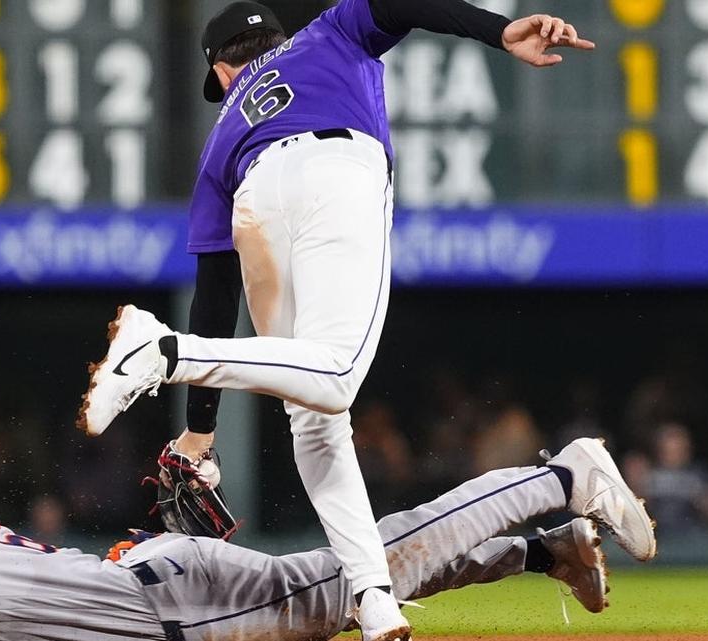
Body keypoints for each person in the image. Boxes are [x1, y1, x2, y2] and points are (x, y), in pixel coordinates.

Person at [78, 3, 595, 639]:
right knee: (339, 375)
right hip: (334, 171)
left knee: (317, 418)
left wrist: (199, 433)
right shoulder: (327, 32)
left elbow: (215, 294)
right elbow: (403, 2)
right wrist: (496, 30)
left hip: (254, 198)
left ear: (223, 66)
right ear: (273, 39)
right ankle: (161, 355)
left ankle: (375, 600)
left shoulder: (221, 136)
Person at [0, 439, 654, 641]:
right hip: (156, 578)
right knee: (356, 580)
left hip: (180, 603)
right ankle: (548, 546)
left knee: (371, 562)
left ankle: (560, 476)